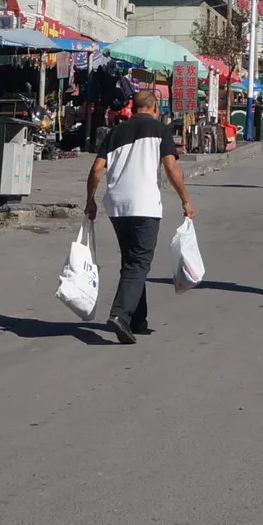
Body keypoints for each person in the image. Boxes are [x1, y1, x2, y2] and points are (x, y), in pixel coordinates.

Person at [84, 89, 194, 345]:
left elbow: (97, 169)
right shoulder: (160, 130)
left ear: (133, 108)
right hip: (144, 205)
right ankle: (120, 315)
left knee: (131, 260)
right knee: (139, 263)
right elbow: (171, 166)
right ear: (155, 108)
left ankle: (137, 319)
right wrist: (185, 199)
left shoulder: (115, 132)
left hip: (117, 205)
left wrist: (90, 200)